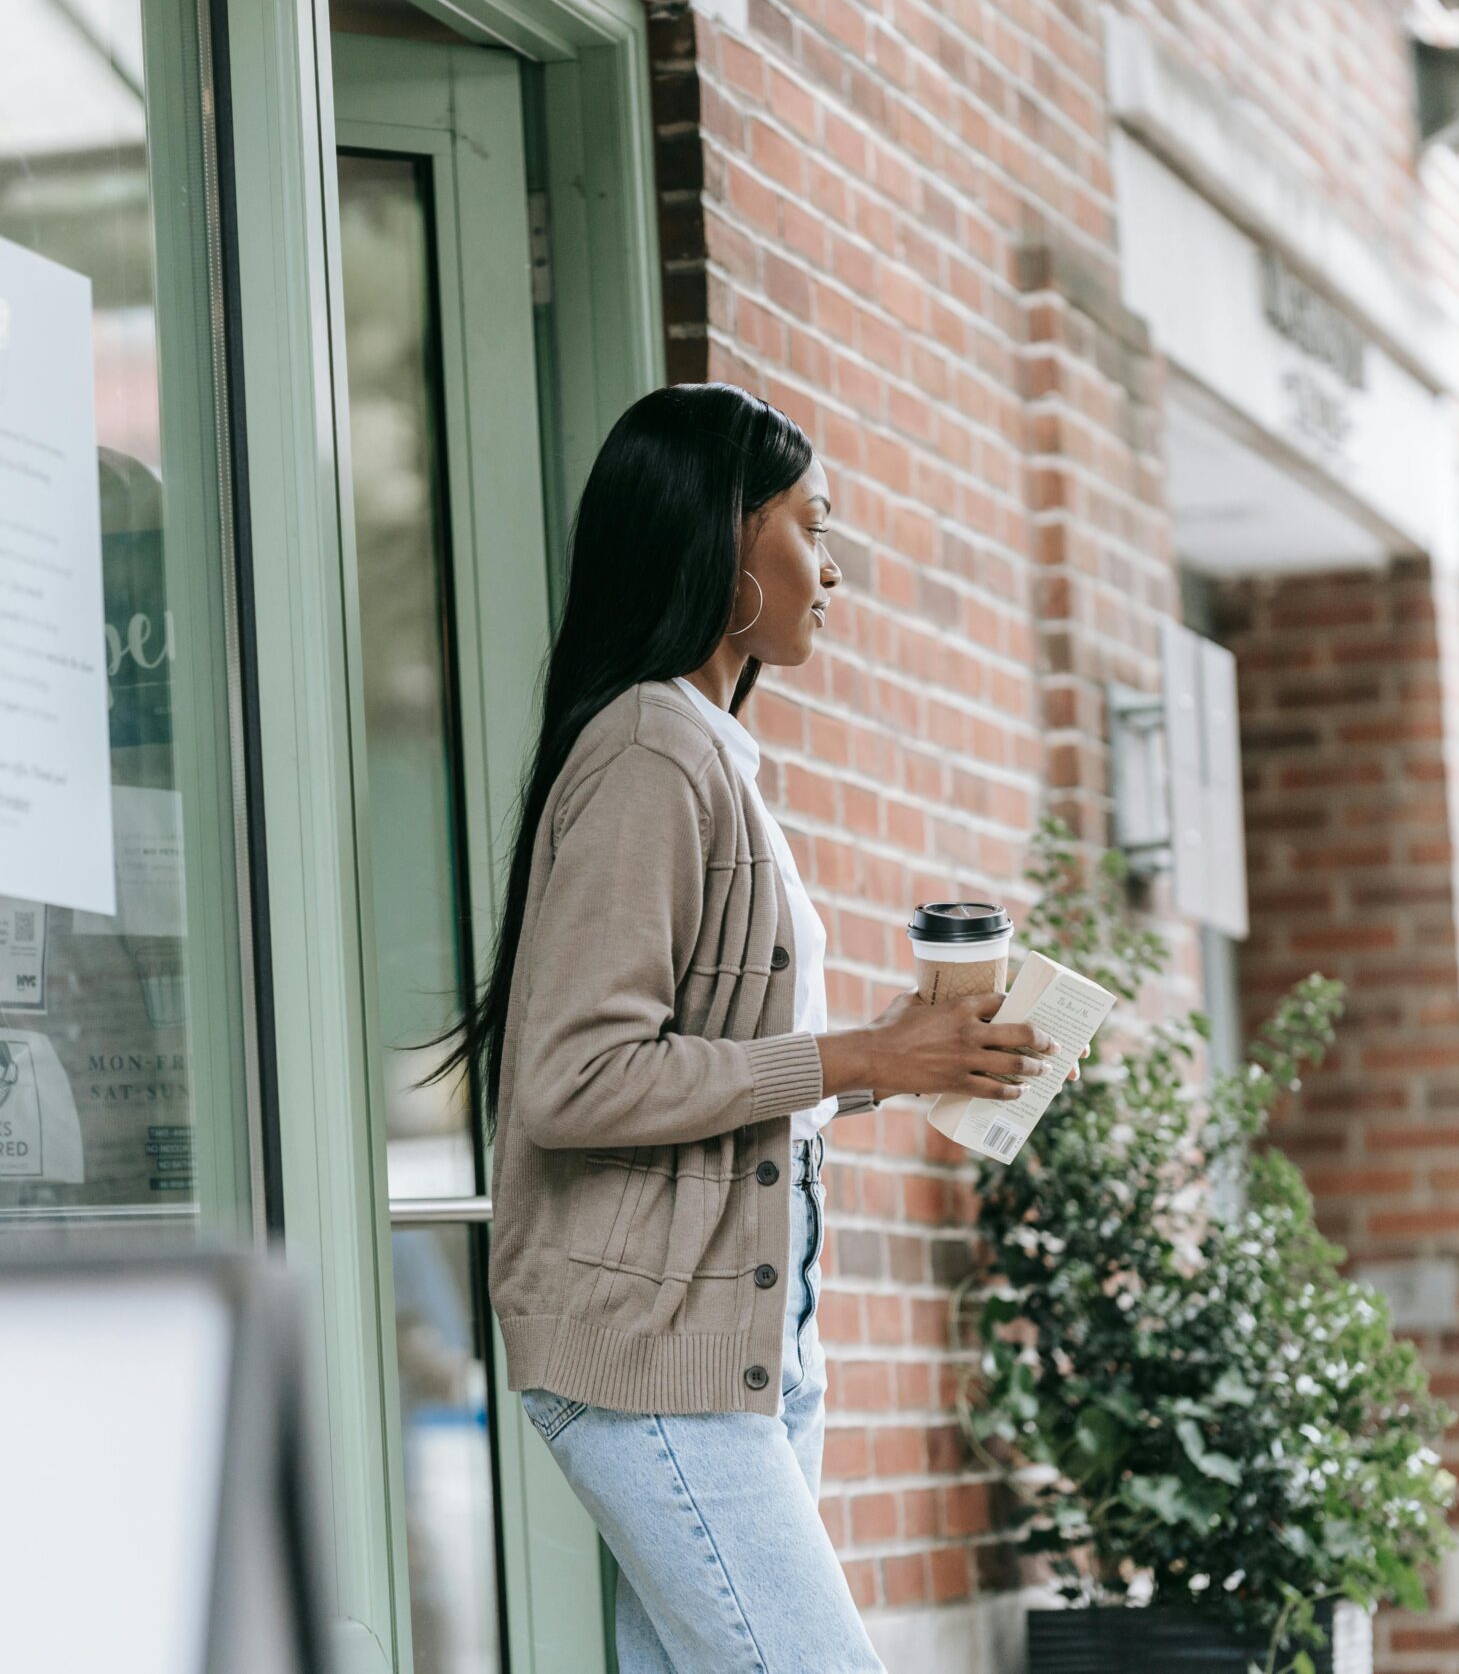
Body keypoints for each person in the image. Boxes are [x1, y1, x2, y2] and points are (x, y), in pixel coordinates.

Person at [438, 383, 1054, 1672]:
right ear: (727, 542)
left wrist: (899, 1055)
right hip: (656, 1350)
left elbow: (719, 1066)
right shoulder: (653, 746)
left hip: (750, 1341)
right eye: (812, 528)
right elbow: (574, 1079)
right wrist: (864, 1056)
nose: (834, 571)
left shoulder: (707, 749)